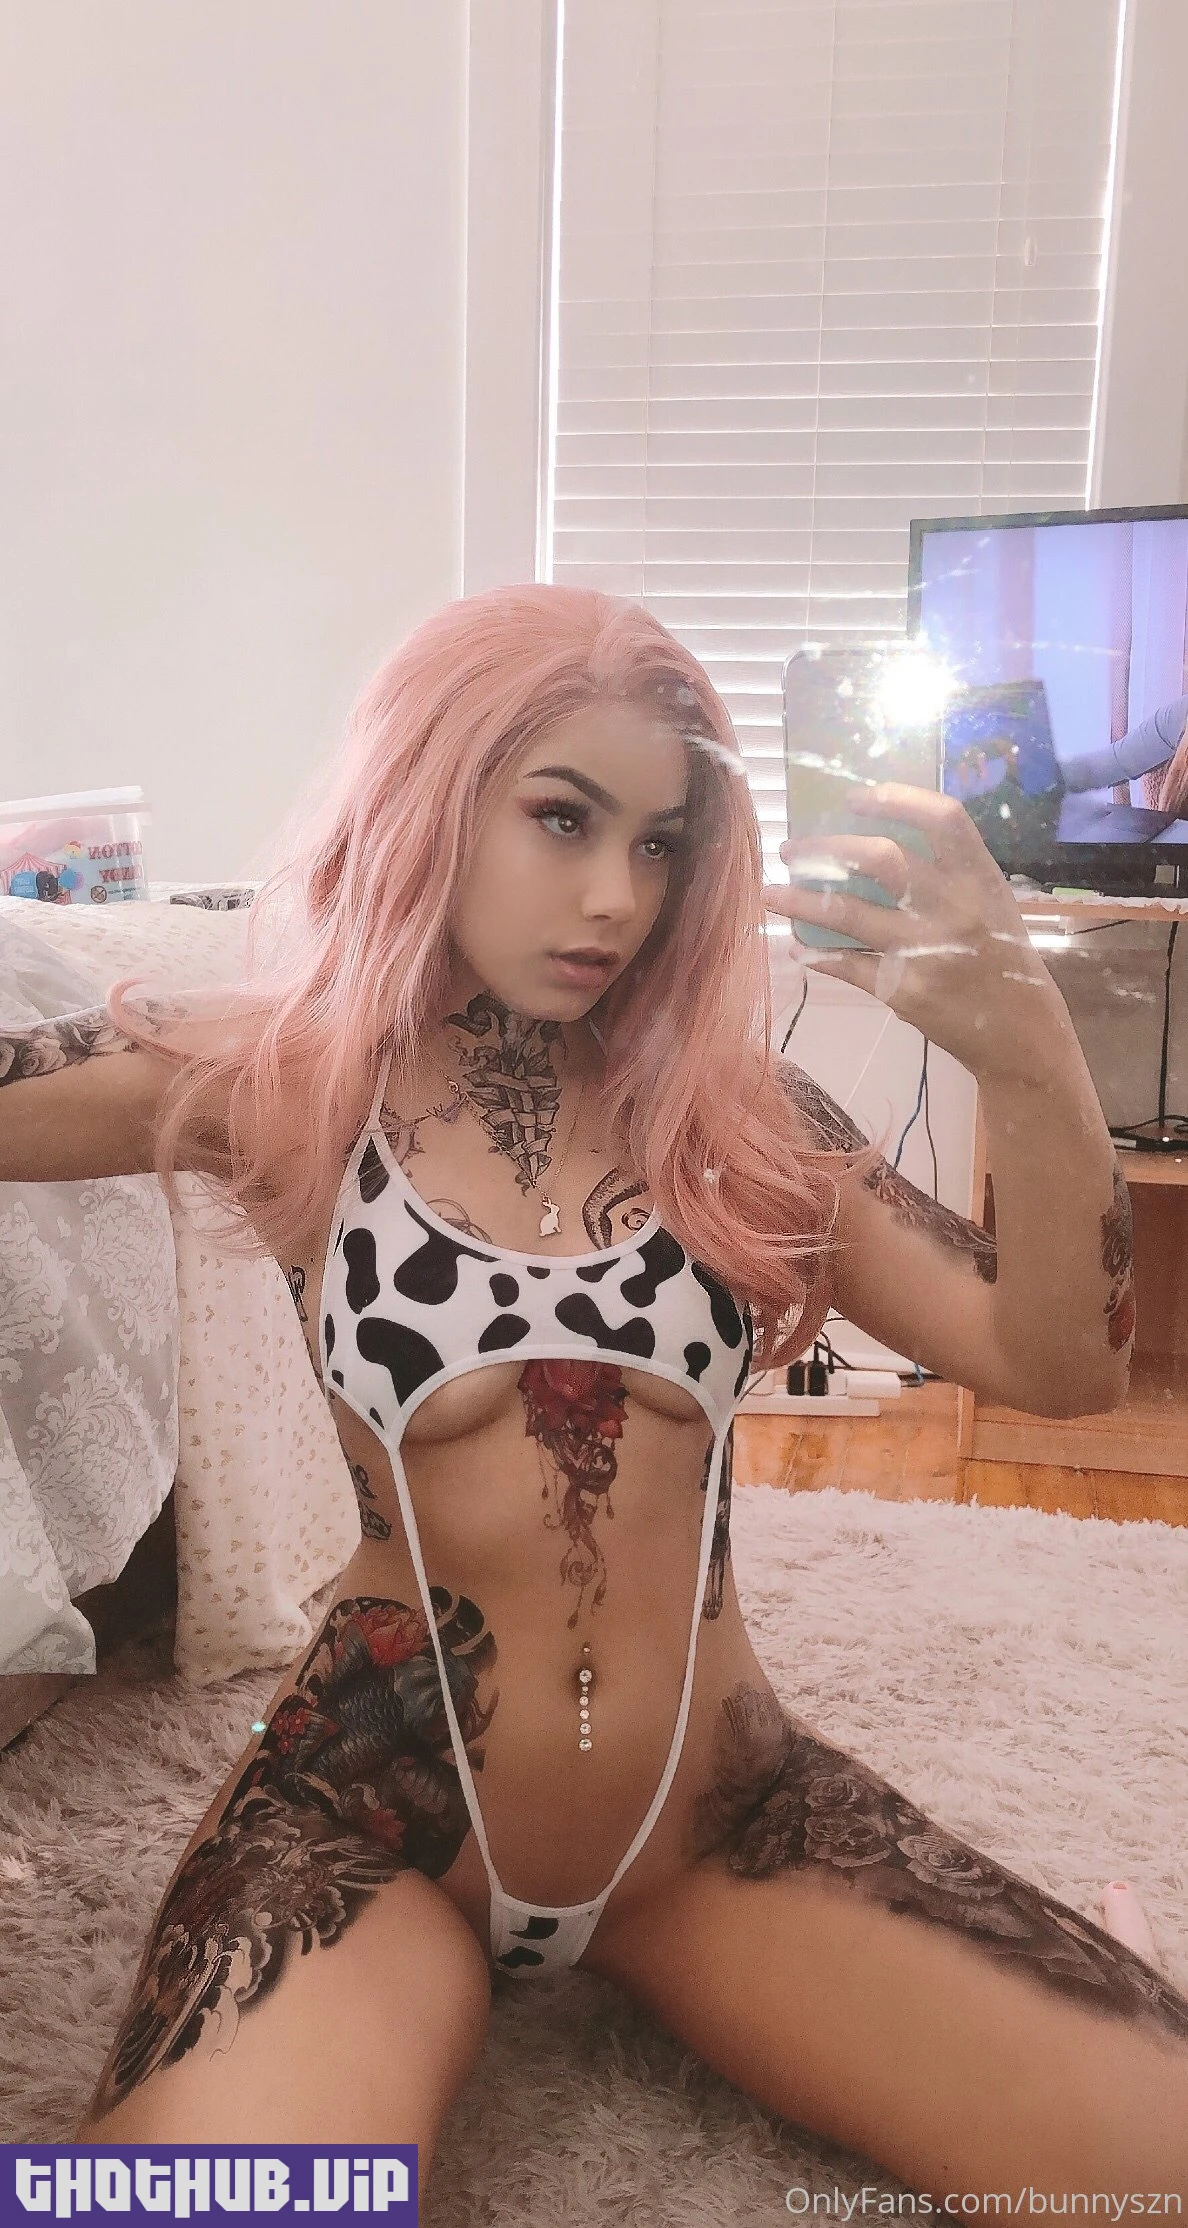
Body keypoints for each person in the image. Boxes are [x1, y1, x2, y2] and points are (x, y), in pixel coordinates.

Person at [2, 585, 1185, 2200]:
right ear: (433, 796)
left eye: (661, 842)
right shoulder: (287, 1078)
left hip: (721, 1826)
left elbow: (1062, 1366)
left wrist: (1031, 1054)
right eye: (563, 818)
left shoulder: (746, 1118)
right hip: (367, 1826)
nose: (616, 896)